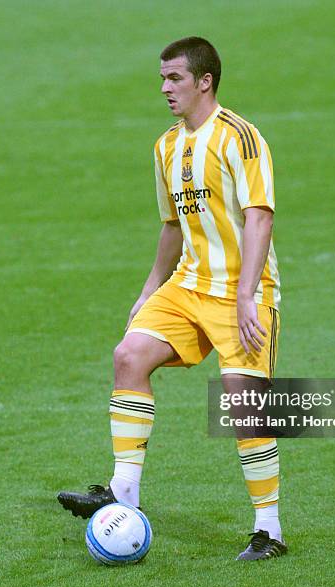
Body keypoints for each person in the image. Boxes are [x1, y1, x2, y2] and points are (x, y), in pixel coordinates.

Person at [58, 36, 286, 560]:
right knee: (128, 356)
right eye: (162, 78)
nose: (164, 88)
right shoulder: (165, 146)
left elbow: (260, 217)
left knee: (244, 404)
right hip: (186, 286)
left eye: (175, 78)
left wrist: (248, 295)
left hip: (241, 291)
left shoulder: (241, 138)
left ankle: (269, 530)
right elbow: (172, 227)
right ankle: (125, 497)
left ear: (205, 81)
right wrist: (148, 290)